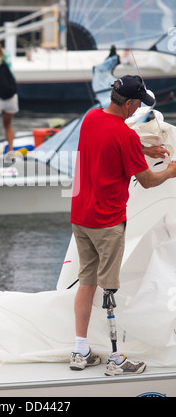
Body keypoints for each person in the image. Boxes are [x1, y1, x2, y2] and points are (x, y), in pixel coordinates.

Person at [70, 75, 176, 376]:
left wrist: (143, 150)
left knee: (86, 282)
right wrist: (170, 171)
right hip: (107, 223)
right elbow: (147, 181)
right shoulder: (125, 137)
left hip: (80, 217)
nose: (139, 107)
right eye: (139, 102)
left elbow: (110, 144)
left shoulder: (90, 119)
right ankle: (116, 359)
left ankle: (80, 351)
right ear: (128, 103)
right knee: (109, 289)